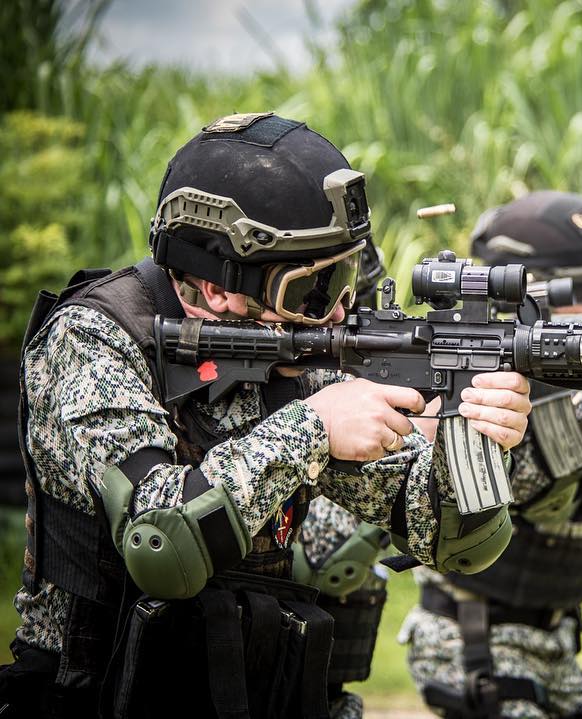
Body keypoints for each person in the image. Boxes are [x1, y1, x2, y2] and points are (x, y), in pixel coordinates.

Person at [0, 112, 532, 718]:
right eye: (312, 287)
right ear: (218, 287)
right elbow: (160, 545)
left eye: (346, 278)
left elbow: (452, 541)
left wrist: (470, 436)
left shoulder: (293, 350)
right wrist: (312, 430)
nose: (336, 314)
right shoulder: (94, 339)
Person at [399, 191, 582, 719]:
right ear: (531, 290)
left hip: (555, 643)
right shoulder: (472, 375)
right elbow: (504, 494)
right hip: (476, 640)